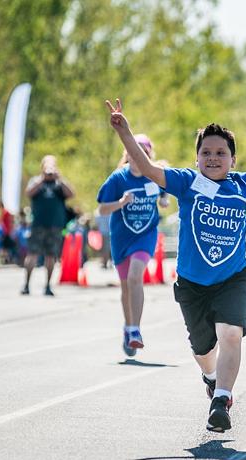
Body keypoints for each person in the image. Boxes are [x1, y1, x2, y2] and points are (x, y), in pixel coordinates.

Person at [106, 98, 246, 433]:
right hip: (192, 283)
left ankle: (221, 400)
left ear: (233, 159)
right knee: (202, 348)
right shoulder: (187, 182)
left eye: (220, 153)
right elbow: (151, 170)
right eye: (206, 153)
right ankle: (212, 378)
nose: (213, 158)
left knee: (231, 334)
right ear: (197, 158)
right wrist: (125, 133)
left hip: (232, 279)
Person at [97, 134, 169, 357]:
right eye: (134, 152)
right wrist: (120, 203)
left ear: (148, 155)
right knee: (126, 285)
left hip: (145, 235)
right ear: (127, 154)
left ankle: (136, 330)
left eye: (143, 152)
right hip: (122, 237)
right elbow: (101, 210)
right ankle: (128, 327)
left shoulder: (156, 175)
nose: (139, 156)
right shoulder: (118, 179)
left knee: (136, 276)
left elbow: (167, 189)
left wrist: (165, 199)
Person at [21, 155, 75, 296]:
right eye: (47, 167)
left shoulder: (59, 184)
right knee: (32, 254)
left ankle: (48, 286)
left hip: (55, 226)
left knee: (51, 256)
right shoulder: (36, 181)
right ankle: (26, 284)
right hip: (38, 224)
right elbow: (29, 192)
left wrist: (59, 178)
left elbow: (71, 194)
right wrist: (42, 179)